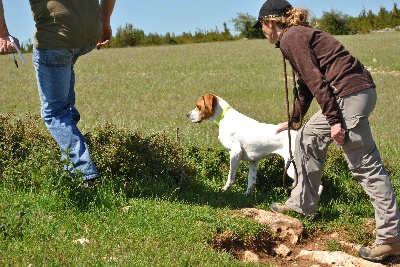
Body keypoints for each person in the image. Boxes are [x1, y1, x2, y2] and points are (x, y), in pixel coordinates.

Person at [252, 0, 400, 262]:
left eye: (262, 26)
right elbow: (308, 85)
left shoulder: (291, 38)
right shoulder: (297, 35)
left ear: (271, 23)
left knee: (365, 165)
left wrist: (334, 122)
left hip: (349, 95)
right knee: (307, 137)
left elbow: (316, 81)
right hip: (354, 92)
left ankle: (391, 237)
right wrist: (295, 120)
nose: (262, 32)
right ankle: (302, 203)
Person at [0, 0, 116, 187]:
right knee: (65, 109)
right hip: (88, 35)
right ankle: (68, 162)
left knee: (54, 113)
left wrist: (3, 34)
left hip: (56, 38)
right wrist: (104, 20)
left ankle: (84, 175)